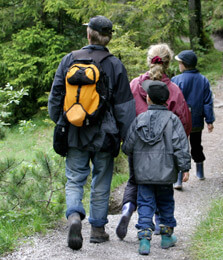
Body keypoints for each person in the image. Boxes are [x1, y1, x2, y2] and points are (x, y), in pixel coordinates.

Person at [48, 15, 136, 250]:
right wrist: (128, 138)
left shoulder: (69, 59)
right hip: (105, 135)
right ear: (108, 38)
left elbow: (55, 98)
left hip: (74, 132)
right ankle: (97, 229)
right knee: (101, 181)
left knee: (75, 178)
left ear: (89, 34)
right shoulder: (115, 64)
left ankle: (74, 215)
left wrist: (62, 121)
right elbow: (125, 107)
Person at [116, 43, 192, 240]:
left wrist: (127, 142)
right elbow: (183, 123)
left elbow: (123, 113)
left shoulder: (134, 85)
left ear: (149, 61)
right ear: (168, 64)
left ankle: (128, 208)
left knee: (138, 183)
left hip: (137, 149)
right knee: (163, 186)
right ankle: (162, 225)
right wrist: (181, 156)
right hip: (166, 151)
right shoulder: (173, 90)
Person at [122, 80, 191, 255]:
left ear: (149, 100)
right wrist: (185, 168)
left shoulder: (140, 119)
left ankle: (144, 240)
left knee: (145, 203)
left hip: (143, 173)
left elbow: (127, 146)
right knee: (166, 202)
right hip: (166, 172)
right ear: (166, 101)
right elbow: (181, 146)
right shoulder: (173, 120)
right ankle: (167, 237)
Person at [171, 50, 215, 188]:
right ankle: (200, 172)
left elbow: (173, 101)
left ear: (184, 64)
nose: (178, 65)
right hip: (196, 120)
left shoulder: (176, 80)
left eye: (179, 63)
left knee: (179, 148)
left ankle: (178, 179)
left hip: (180, 122)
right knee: (196, 145)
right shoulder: (203, 80)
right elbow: (207, 102)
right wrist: (209, 120)